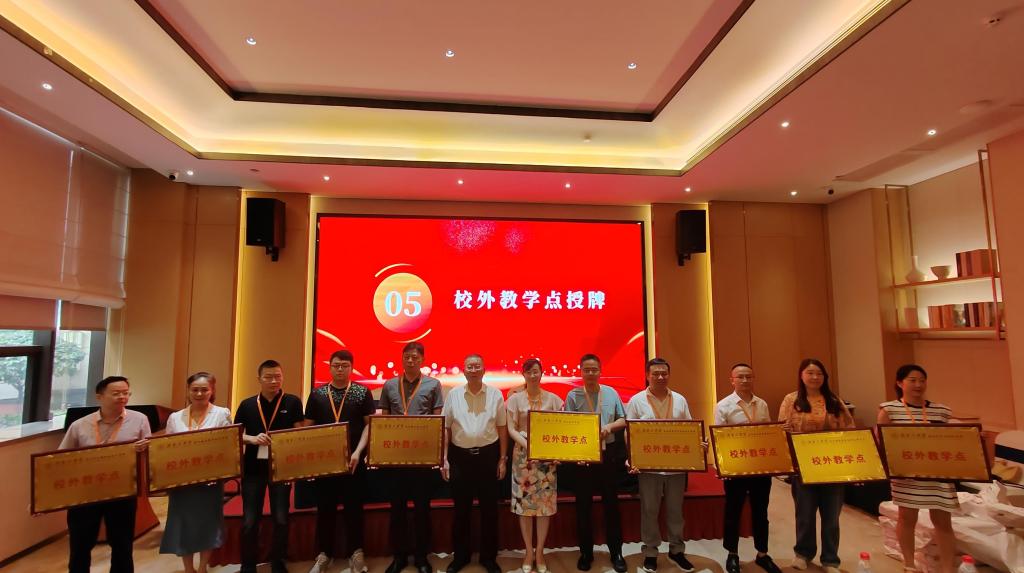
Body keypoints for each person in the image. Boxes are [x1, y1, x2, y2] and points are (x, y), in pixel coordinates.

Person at [60, 375, 151, 573]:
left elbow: (149, 454)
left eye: (126, 393)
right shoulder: (80, 425)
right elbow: (61, 460)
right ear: (99, 396)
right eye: (116, 393)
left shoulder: (139, 420)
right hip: (85, 493)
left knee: (122, 544)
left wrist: (143, 451)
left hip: (122, 491)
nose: (122, 397)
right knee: (80, 545)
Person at [877, 364, 957, 573]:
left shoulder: (942, 411)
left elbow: (954, 440)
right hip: (907, 475)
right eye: (912, 380)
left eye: (922, 380)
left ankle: (948, 569)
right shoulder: (889, 410)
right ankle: (909, 564)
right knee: (906, 518)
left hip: (938, 473)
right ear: (899, 383)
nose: (918, 385)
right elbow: (882, 443)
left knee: (943, 521)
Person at [778, 359, 854, 573]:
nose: (814, 377)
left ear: (824, 377)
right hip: (803, 466)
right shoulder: (791, 400)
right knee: (805, 513)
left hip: (832, 466)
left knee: (832, 516)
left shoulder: (834, 401)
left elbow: (850, 429)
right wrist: (784, 430)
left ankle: (830, 559)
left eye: (819, 373)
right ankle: (803, 553)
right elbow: (781, 428)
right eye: (810, 373)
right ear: (801, 375)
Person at [305, 350, 375, 573]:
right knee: (325, 509)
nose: (340, 369)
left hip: (353, 461)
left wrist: (358, 452)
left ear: (351, 368)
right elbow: (307, 428)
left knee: (354, 508)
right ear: (330, 367)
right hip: (325, 463)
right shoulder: (317, 394)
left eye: (345, 365)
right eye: (336, 365)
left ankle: (356, 553)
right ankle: (324, 554)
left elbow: (369, 425)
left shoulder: (362, 392)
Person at [233, 360, 305, 573]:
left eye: (278, 376)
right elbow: (236, 434)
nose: (274, 381)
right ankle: (248, 564)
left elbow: (299, 433)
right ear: (259, 379)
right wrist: (253, 439)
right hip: (252, 470)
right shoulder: (247, 405)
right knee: (250, 520)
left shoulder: (292, 402)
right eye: (269, 377)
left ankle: (278, 560)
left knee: (281, 518)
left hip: (281, 469)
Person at [625, 358, 696, 573]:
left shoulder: (680, 400)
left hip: (676, 467)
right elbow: (630, 433)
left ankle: (677, 550)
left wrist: (697, 446)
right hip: (649, 468)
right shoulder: (637, 401)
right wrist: (633, 458)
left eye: (664, 373)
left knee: (675, 511)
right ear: (647, 375)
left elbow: (690, 428)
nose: (660, 377)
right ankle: (650, 552)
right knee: (649, 510)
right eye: (655, 373)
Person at [378, 341, 444, 573]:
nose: (410, 361)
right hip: (396, 458)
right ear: (402, 358)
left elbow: (438, 419)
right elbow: (384, 421)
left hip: (422, 459)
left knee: (422, 510)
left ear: (422, 360)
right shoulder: (389, 385)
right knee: (397, 510)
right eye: (407, 357)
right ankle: (399, 557)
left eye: (415, 357)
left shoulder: (433, 385)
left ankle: (421, 558)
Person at [160, 372, 234, 573]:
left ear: (212, 391)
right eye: (195, 389)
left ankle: (202, 568)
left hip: (209, 481)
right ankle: (188, 568)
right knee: (183, 525)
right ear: (188, 391)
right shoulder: (175, 418)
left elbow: (228, 444)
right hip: (182, 482)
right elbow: (166, 448)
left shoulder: (221, 414)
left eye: (204, 390)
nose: (199, 393)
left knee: (207, 524)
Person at [442, 354, 509, 573]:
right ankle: (460, 557)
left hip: (488, 457)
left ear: (483, 370)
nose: (473, 370)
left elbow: (502, 428)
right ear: (464, 371)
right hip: (460, 458)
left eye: (476, 366)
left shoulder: (495, 394)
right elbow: (446, 428)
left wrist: (502, 459)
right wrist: (444, 458)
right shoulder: (453, 395)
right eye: (469, 367)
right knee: (461, 511)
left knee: (489, 511)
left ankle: (489, 558)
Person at [714, 363, 782, 573]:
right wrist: (723, 467)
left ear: (753, 379)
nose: (745, 380)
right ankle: (732, 554)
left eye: (749, 377)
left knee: (761, 511)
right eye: (740, 377)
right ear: (732, 380)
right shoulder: (723, 406)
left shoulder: (761, 404)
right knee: (733, 511)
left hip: (760, 468)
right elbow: (719, 439)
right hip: (736, 468)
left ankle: (762, 554)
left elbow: (768, 433)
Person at [564, 353, 628, 573]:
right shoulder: (573, 395)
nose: (590, 373)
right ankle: (586, 553)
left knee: (612, 505)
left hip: (608, 455)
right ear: (581, 372)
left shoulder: (611, 393)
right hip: (583, 456)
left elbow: (623, 419)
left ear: (600, 371)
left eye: (594, 370)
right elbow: (567, 424)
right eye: (586, 370)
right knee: (583, 506)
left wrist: (609, 427)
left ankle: (616, 552)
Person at [506, 358, 564, 573]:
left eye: (536, 371)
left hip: (546, 460)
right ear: (523, 374)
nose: (533, 375)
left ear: (542, 373)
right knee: (525, 508)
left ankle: (539, 551)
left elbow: (560, 429)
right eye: (529, 372)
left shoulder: (554, 400)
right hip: (523, 459)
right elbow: (511, 429)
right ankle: (528, 552)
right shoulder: (514, 400)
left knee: (543, 508)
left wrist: (553, 451)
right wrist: (530, 446)